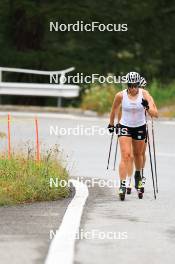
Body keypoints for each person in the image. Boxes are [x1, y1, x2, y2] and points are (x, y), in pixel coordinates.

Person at [108, 72, 158, 200]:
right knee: (126, 155)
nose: (133, 88)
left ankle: (137, 175)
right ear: (127, 85)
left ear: (138, 84)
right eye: (130, 85)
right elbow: (114, 110)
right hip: (125, 126)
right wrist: (111, 124)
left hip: (140, 127)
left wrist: (147, 106)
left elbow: (155, 114)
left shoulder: (145, 94)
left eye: (135, 85)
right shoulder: (120, 95)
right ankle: (123, 184)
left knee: (138, 154)